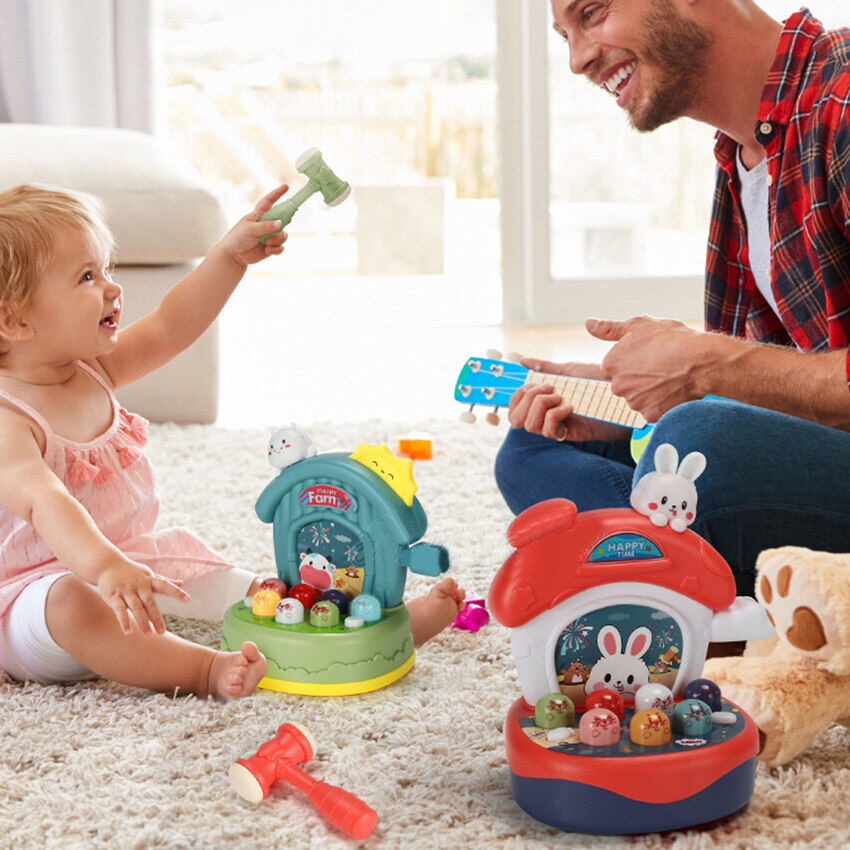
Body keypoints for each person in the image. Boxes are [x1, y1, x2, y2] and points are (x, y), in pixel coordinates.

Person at [0, 184, 464, 700]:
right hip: (29, 602)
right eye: (87, 277)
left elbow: (170, 326)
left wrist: (229, 258)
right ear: (14, 319)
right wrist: (104, 569)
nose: (112, 288)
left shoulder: (93, 369)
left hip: (131, 563)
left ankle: (369, 629)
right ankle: (202, 669)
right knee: (71, 602)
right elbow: (46, 500)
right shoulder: (8, 418)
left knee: (258, 591)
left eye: (107, 269)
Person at [496, 2, 850, 599]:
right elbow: (778, 387)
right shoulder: (744, 157)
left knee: (695, 438)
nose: (578, 59)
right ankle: (676, 574)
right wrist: (634, 394)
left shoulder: (842, 101)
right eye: (564, 36)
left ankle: (653, 576)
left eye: (592, 13)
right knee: (532, 447)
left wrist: (704, 366)